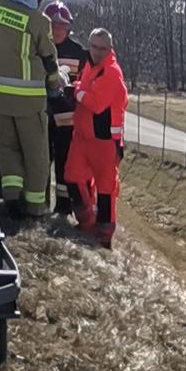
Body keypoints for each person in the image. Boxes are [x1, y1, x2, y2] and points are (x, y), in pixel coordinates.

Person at [0, 0, 64, 218]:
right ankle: (35, 208)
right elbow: (50, 61)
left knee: (7, 149)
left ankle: (12, 198)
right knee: (36, 156)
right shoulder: (38, 21)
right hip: (29, 101)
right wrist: (55, 84)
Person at [64, 28, 127, 248]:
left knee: (106, 190)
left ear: (109, 49)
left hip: (104, 142)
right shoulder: (90, 67)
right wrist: (79, 90)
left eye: (102, 48)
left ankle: (103, 238)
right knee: (73, 178)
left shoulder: (111, 71)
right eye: (94, 46)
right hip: (82, 138)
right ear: (88, 45)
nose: (97, 52)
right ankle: (87, 224)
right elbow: (85, 93)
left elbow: (96, 103)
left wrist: (75, 92)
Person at [43, 1, 88, 218]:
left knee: (64, 162)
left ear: (68, 28)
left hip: (67, 119)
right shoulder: (38, 47)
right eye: (53, 25)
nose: (57, 30)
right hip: (41, 113)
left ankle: (63, 205)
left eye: (62, 26)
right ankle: (40, 203)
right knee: (42, 159)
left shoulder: (79, 52)